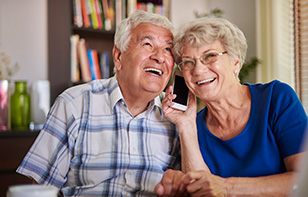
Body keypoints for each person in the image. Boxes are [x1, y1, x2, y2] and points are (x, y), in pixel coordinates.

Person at [17, 10, 180, 196]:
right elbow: (39, 189)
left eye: (168, 49)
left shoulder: (175, 118)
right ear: (118, 57)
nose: (160, 57)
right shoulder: (74, 104)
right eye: (147, 44)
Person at [155, 17, 308, 196]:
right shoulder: (193, 127)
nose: (197, 70)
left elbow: (303, 181)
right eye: (188, 62)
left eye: (209, 56)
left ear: (235, 61)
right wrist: (185, 125)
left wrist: (228, 188)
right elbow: (202, 192)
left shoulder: (276, 98)